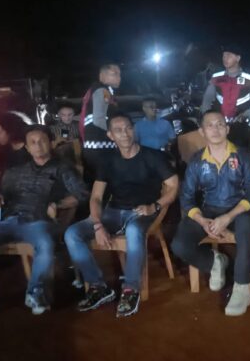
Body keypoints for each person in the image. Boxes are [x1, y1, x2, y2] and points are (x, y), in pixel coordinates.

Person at [0, 125, 88, 321]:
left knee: (44, 243)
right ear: (27, 148)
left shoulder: (63, 169)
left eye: (42, 141)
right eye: (33, 142)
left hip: (38, 221)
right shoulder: (16, 172)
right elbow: (1, 194)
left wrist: (58, 204)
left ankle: (37, 292)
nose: (38, 145)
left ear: (50, 143)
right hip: (8, 221)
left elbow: (82, 194)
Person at [65, 113, 178, 318]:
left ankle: (131, 289)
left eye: (128, 128)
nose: (124, 134)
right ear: (110, 135)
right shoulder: (107, 160)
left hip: (143, 211)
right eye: (118, 130)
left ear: (134, 130)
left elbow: (173, 186)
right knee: (72, 233)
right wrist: (98, 224)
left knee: (134, 230)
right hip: (113, 212)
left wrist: (155, 206)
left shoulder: (153, 156)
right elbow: (96, 197)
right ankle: (98, 287)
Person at [170, 110, 250, 316]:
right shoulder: (197, 161)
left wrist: (227, 217)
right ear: (202, 132)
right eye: (210, 125)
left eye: (220, 124)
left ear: (227, 129)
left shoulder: (242, 156)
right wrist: (202, 221)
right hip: (208, 211)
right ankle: (214, 261)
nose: (215, 129)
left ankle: (242, 287)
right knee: (179, 244)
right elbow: (186, 198)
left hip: (238, 211)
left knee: (247, 228)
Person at [200, 44, 250, 147]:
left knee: (239, 152)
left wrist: (248, 114)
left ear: (238, 58)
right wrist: (207, 117)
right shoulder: (216, 77)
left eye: (229, 55)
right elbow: (207, 99)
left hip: (240, 126)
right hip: (219, 126)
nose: (225, 58)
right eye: (224, 55)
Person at [80, 63, 120, 183]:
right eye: (115, 74)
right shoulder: (103, 90)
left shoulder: (98, 89)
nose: (119, 78)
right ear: (102, 75)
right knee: (103, 184)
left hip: (94, 147)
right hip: (101, 149)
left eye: (119, 74)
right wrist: (116, 135)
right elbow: (99, 119)